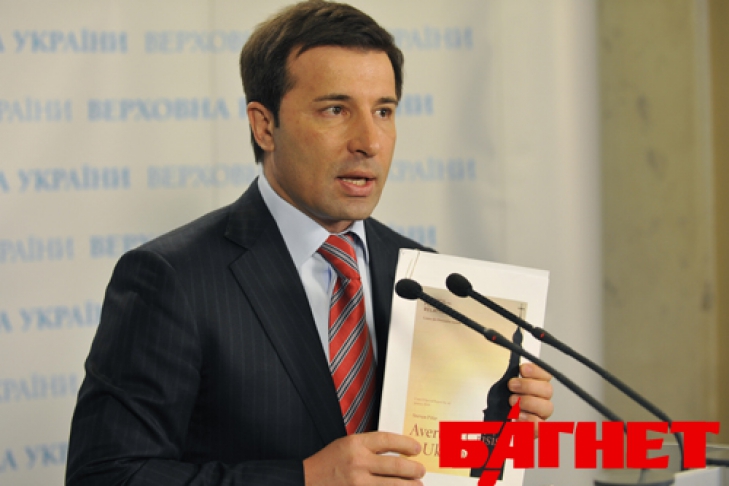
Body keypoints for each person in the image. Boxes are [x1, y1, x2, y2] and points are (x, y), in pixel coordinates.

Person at [66, 1, 554, 485]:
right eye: (335, 110)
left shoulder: (428, 278)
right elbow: (105, 476)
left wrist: (498, 434)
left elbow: (439, 465)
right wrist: (305, 479)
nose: (369, 141)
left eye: (383, 111)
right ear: (265, 126)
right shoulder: (173, 278)